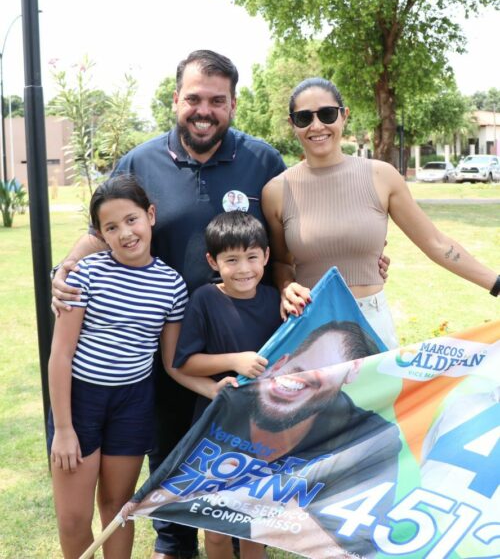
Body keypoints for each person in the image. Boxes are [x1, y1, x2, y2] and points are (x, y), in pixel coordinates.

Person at [50, 55, 390, 558]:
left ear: (232, 103)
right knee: (169, 447)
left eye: (216, 100)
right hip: (162, 339)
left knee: (241, 455)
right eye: (194, 99)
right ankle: (174, 543)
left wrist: (357, 262)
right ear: (176, 100)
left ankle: (244, 538)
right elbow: (101, 228)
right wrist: (63, 268)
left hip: (242, 337)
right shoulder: (141, 161)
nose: (203, 110)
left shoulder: (262, 161)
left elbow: (289, 238)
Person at [126, 320, 401, 559]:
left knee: (253, 532)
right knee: (217, 529)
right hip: (224, 471)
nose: (302, 377)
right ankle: (177, 542)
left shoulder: (370, 436)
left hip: (274, 507)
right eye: (299, 366)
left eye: (326, 369)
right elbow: (180, 363)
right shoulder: (236, 402)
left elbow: (350, 541)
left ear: (349, 375)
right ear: (281, 361)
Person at [262, 77, 499, 349]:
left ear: (344, 116)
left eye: (327, 114)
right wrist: (285, 286)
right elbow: (280, 262)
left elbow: (436, 243)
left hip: (372, 320)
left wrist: (497, 284)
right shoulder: (277, 191)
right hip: (310, 326)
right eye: (304, 118)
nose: (317, 126)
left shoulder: (381, 176)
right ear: (292, 124)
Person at [47, 175, 191, 559]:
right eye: (111, 227)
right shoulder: (85, 275)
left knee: (118, 510)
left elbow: (172, 363)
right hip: (80, 402)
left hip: (133, 404)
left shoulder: (172, 285)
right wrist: (63, 429)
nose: (125, 233)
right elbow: (61, 354)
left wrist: (217, 389)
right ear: (100, 234)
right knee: (74, 520)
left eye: (131, 220)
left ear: (151, 216)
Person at [173, 211, 282, 559]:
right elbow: (185, 361)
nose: (244, 269)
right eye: (231, 260)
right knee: (216, 525)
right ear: (213, 261)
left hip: (264, 429)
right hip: (216, 429)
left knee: (254, 524)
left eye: (252, 257)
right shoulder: (205, 299)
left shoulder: (274, 300)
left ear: (266, 255)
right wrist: (234, 361)